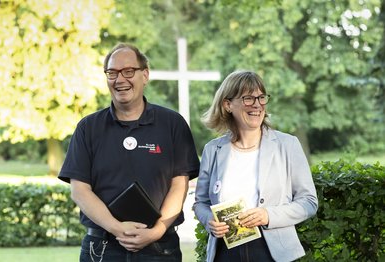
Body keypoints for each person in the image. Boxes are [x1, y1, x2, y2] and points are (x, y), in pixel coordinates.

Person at [58, 43, 200, 262]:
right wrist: (116, 228)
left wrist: (157, 230)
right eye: (112, 73)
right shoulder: (88, 128)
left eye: (128, 71)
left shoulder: (172, 124)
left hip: (160, 248)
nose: (120, 79)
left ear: (145, 75)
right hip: (102, 249)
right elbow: (80, 191)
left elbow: (179, 185)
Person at [193, 70, 318, 262]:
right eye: (248, 99)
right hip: (225, 253)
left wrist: (268, 215)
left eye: (261, 97)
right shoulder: (212, 150)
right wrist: (209, 220)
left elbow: (309, 201)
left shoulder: (288, 145)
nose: (258, 105)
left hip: (272, 253)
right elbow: (200, 203)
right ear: (227, 105)